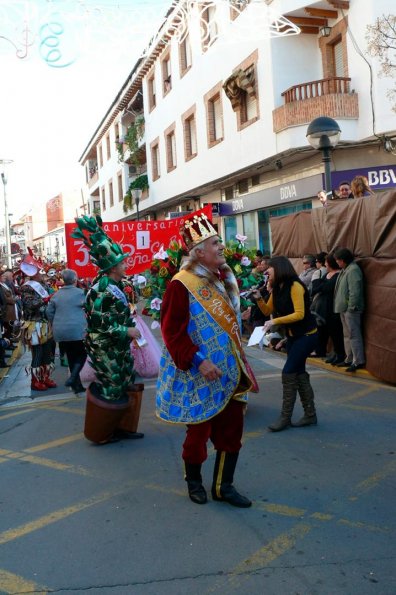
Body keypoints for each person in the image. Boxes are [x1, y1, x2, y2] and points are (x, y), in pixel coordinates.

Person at [156, 212, 257, 507]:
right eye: (215, 243)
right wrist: (198, 360)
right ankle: (194, 481)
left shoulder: (224, 278)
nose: (221, 247)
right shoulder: (181, 284)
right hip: (200, 372)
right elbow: (172, 332)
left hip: (229, 369)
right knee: (198, 434)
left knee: (232, 431)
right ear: (199, 252)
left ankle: (224, 486)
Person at [71, 215, 143, 444]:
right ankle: (102, 433)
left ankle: (121, 427)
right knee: (113, 384)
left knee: (123, 381)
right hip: (106, 346)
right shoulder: (100, 289)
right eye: (122, 263)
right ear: (112, 267)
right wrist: (126, 331)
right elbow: (100, 323)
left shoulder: (116, 285)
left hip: (119, 346)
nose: (126, 265)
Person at [253, 256, 318, 431]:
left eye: (269, 268)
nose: (266, 271)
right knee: (299, 372)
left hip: (307, 335)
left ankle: (285, 417)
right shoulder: (277, 288)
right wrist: (259, 298)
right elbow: (267, 310)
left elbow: (299, 314)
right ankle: (310, 414)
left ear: (280, 269)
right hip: (293, 336)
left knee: (288, 372)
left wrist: (275, 322)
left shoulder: (295, 286)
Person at [46, 269, 87, 394]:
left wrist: (56, 322)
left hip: (60, 330)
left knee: (71, 356)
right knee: (82, 354)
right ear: (75, 280)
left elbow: (49, 312)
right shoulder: (80, 293)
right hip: (76, 329)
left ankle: (77, 385)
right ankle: (73, 377)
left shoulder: (56, 295)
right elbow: (89, 307)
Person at [20, 252, 57, 391]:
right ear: (33, 273)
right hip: (34, 324)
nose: (42, 274)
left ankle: (45, 377)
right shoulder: (26, 287)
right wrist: (45, 300)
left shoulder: (44, 285)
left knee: (48, 351)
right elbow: (29, 304)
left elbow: (52, 296)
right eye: (39, 272)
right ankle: (35, 380)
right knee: (38, 353)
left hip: (46, 323)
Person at [333, 248, 365, 372]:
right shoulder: (346, 269)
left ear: (342, 260)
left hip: (351, 309)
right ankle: (349, 358)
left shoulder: (353, 270)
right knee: (347, 334)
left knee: (353, 335)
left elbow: (355, 291)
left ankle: (358, 361)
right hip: (344, 308)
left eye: (337, 260)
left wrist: (351, 307)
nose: (337, 262)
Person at [311, 253, 345, 364]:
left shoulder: (337, 275)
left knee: (336, 333)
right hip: (323, 308)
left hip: (333, 307)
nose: (325, 264)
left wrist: (321, 286)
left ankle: (340, 354)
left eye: (326, 262)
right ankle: (333, 353)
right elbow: (316, 288)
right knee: (324, 331)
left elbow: (325, 288)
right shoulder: (327, 274)